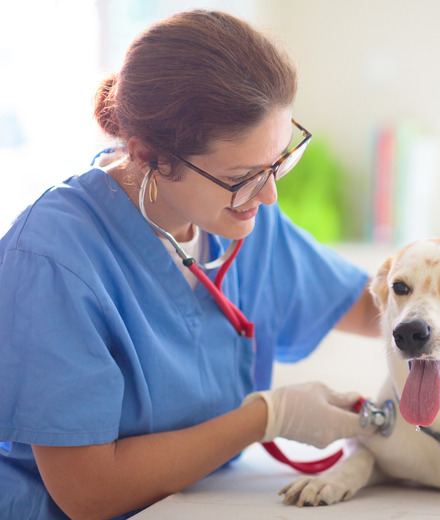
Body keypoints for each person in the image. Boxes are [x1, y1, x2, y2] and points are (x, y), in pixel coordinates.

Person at [0, 10, 381, 520]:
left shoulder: (243, 216)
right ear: (150, 156)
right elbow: (88, 493)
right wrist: (265, 418)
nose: (268, 195)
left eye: (278, 161)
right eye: (243, 175)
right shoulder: (52, 260)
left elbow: (373, 308)